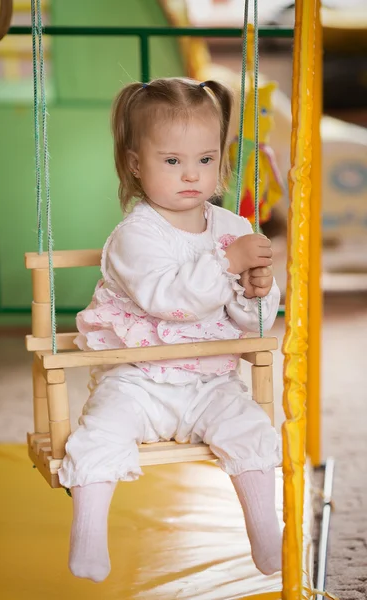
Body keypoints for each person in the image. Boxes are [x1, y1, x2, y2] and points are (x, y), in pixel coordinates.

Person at [59, 77, 282, 583]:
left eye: (205, 160)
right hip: (138, 380)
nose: (191, 175)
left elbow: (254, 325)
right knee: (100, 435)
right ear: (136, 164)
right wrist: (230, 265)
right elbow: (171, 301)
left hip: (209, 382)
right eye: (172, 161)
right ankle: (89, 534)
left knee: (251, 429)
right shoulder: (134, 236)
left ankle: (266, 535)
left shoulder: (232, 228)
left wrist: (257, 292)